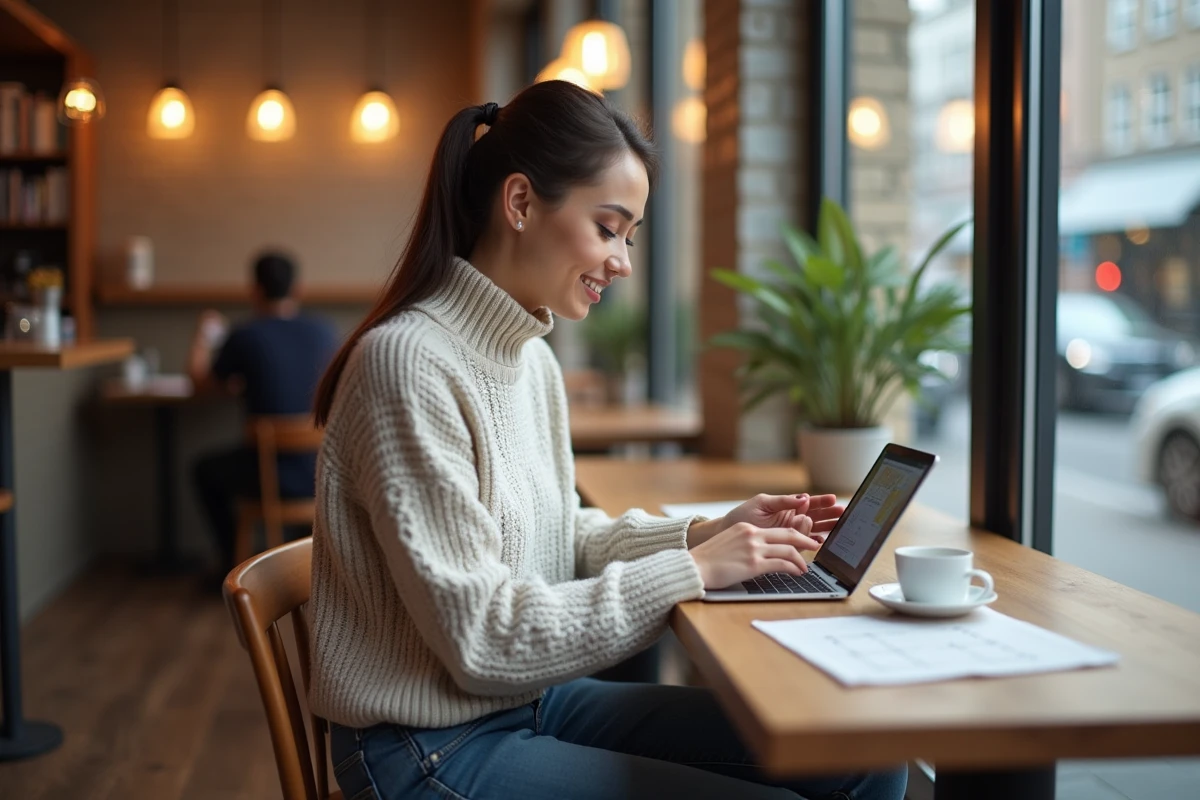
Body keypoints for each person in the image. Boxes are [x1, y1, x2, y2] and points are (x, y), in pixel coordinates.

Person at [306, 81, 908, 800]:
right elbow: (480, 642)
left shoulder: (530, 358)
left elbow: (563, 539)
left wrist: (705, 535)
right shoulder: (407, 365)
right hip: (426, 746)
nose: (622, 261)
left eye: (631, 234)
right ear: (521, 203)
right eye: (608, 227)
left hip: (524, 701)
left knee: (867, 758)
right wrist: (697, 572)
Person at [189, 251, 338, 574]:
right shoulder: (325, 332)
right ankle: (306, 559)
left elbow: (201, 385)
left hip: (270, 474)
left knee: (203, 470)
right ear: (298, 289)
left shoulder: (245, 335)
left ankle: (229, 561)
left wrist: (202, 336)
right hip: (323, 469)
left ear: (254, 290)